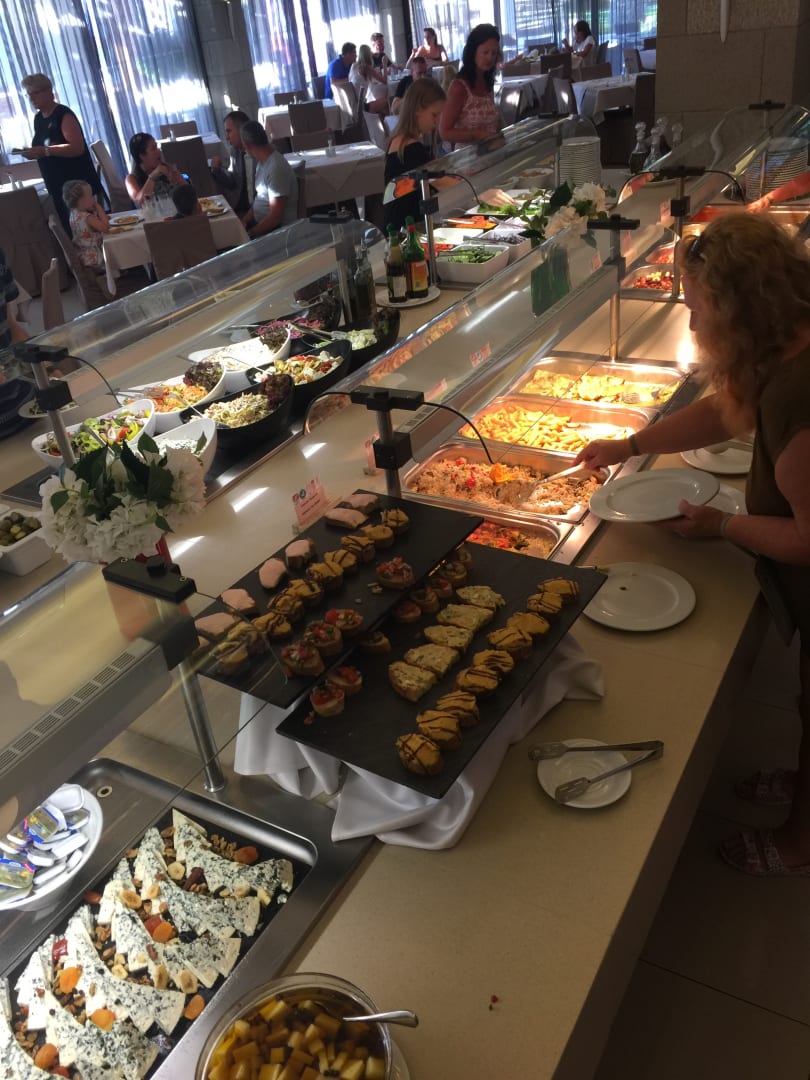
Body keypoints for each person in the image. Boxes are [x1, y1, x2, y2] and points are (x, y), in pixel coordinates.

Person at [575, 213, 810, 878]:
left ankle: (800, 843)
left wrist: (723, 525)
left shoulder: (797, 398)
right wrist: (630, 444)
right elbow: (724, 408)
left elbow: (807, 538)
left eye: (699, 306)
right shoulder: (787, 342)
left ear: (738, 312)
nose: (693, 320)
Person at [17, 73, 103, 231]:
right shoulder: (39, 118)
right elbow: (44, 148)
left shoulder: (63, 115)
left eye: (35, 93)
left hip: (76, 186)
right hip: (57, 185)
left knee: (88, 232)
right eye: (28, 94)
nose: (31, 98)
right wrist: (33, 152)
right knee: (71, 230)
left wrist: (45, 151)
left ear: (49, 91)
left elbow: (77, 148)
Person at [384, 79, 454, 231]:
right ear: (417, 110)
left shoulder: (402, 140)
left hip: (406, 225)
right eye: (434, 115)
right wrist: (479, 192)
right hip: (405, 230)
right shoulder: (410, 148)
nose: (437, 121)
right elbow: (438, 181)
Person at [439, 24, 501, 148]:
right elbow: (444, 132)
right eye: (485, 52)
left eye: (493, 53)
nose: (490, 58)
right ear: (473, 52)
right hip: (468, 156)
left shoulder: (487, 81)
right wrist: (477, 135)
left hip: (491, 152)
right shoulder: (459, 86)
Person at [239, 121, 298, 238]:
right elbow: (260, 200)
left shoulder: (276, 167)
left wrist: (250, 234)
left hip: (278, 233)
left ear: (247, 146)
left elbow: (275, 218)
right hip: (264, 228)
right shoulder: (262, 163)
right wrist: (244, 221)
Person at [210, 109, 254, 215]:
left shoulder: (258, 154)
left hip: (255, 210)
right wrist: (217, 170)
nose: (226, 137)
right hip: (239, 207)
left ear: (242, 130)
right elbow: (233, 182)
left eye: (229, 131)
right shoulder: (235, 151)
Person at [125, 133, 187, 207]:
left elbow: (190, 194)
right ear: (141, 155)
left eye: (157, 147)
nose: (159, 151)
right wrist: (153, 177)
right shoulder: (131, 179)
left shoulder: (167, 168)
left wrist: (177, 180)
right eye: (153, 149)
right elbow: (140, 203)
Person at [63, 179, 109, 270]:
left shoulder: (73, 214)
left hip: (83, 255)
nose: (93, 198)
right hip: (96, 257)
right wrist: (99, 208)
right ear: (81, 201)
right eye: (90, 196)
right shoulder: (88, 217)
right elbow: (106, 228)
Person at [350, 44, 389, 116]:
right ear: (368, 55)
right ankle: (389, 121)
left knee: (382, 109)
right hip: (361, 107)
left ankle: (380, 121)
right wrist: (384, 64)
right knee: (386, 101)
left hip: (352, 105)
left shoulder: (354, 66)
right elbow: (385, 81)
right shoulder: (367, 67)